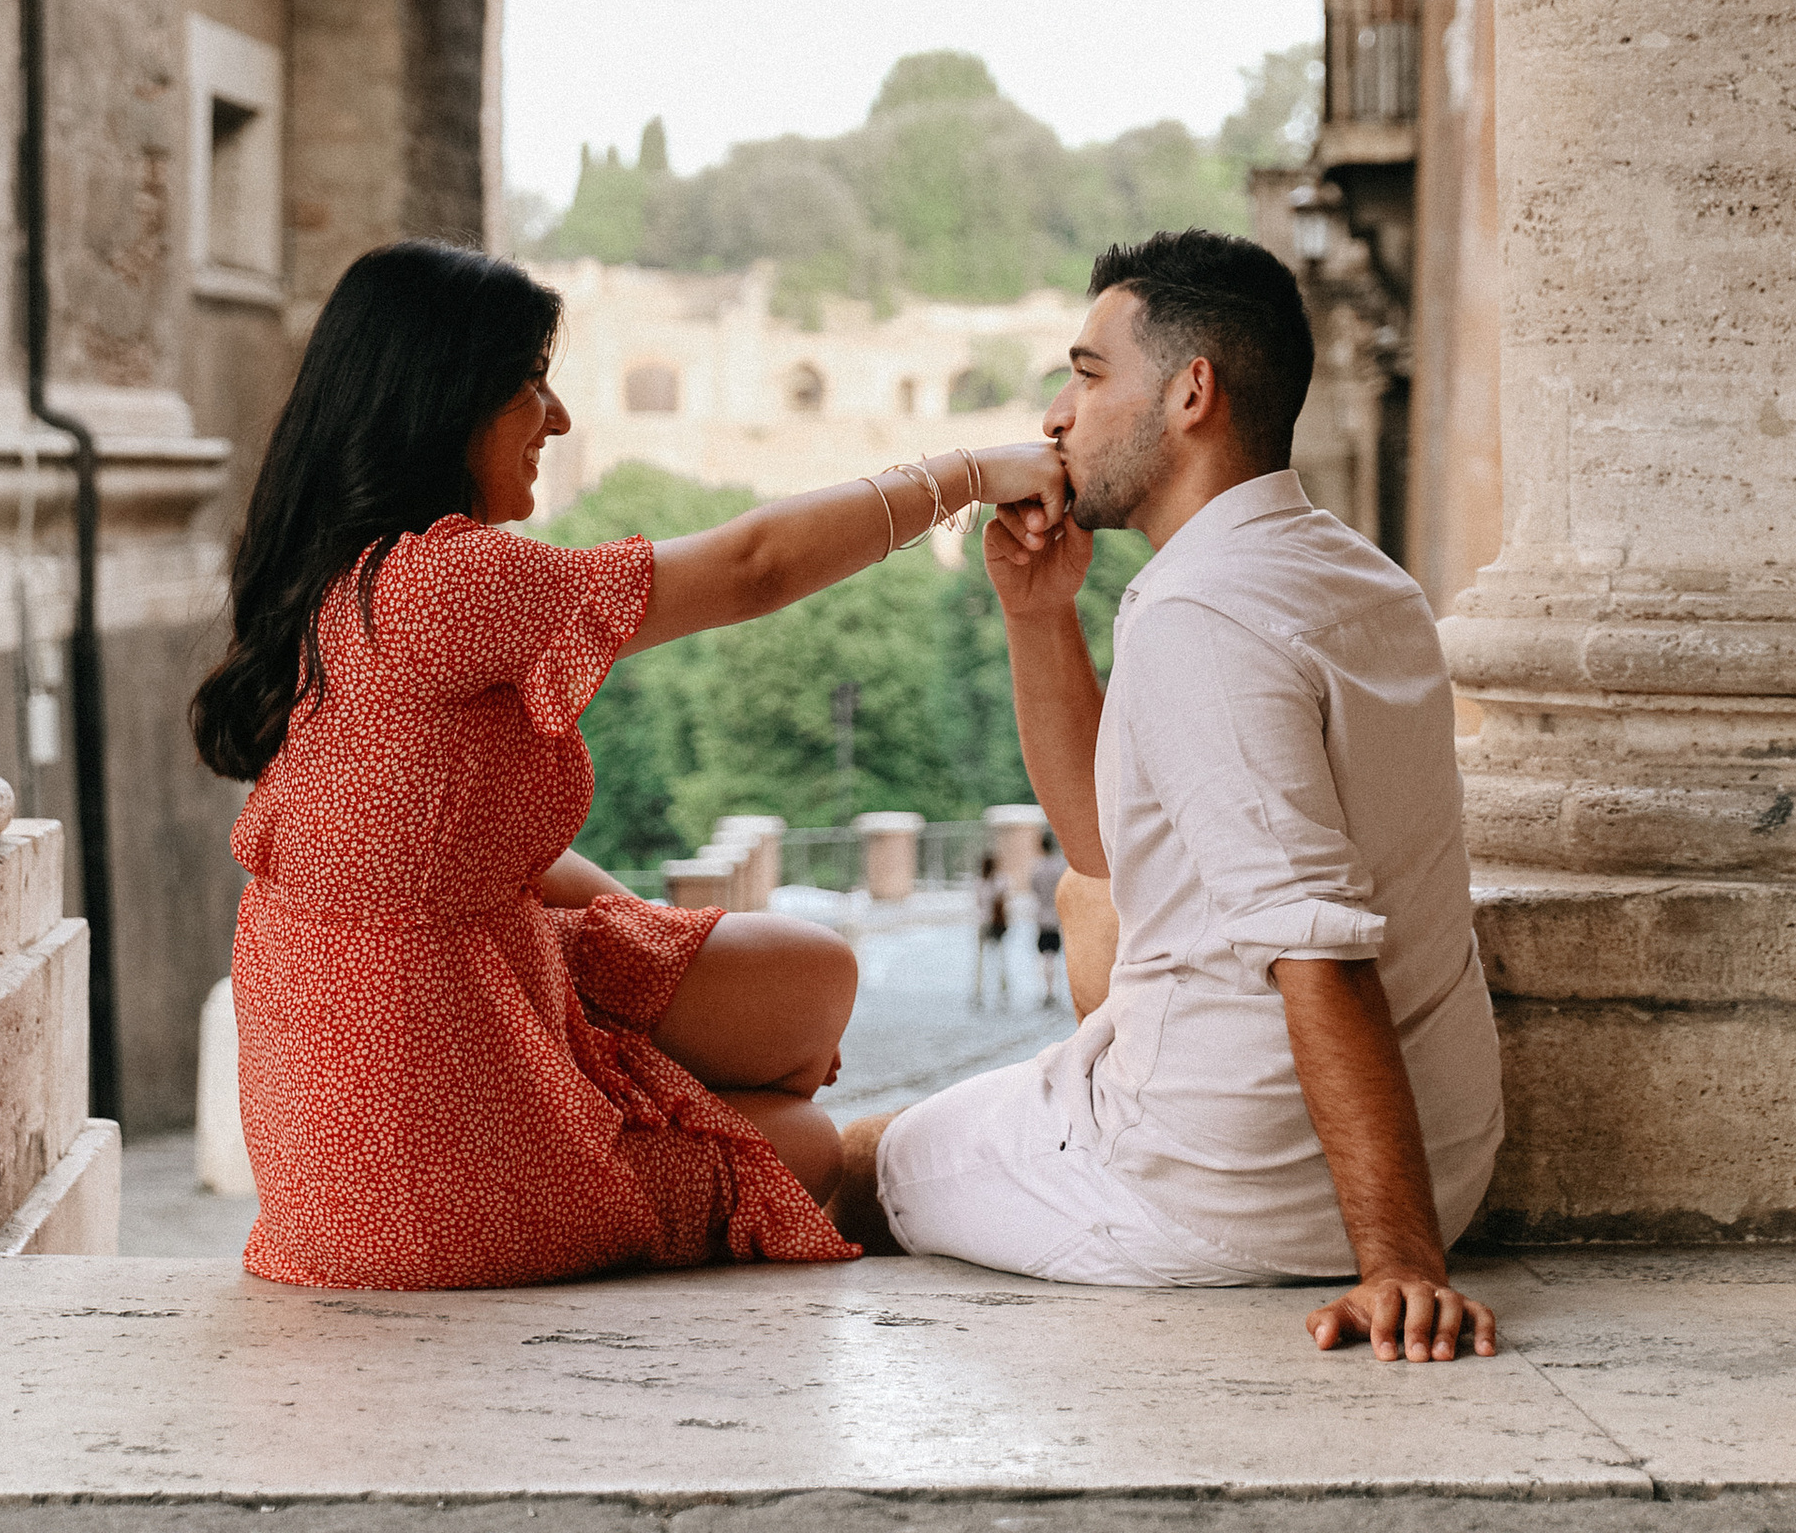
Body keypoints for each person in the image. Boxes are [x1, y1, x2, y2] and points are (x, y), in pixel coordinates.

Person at [189, 236, 1069, 1292]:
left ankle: (650, 1100)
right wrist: (970, 474)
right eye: (529, 384)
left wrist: (649, 956)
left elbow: (458, 843)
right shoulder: (444, 584)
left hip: (342, 1146)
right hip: (432, 1152)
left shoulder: (332, 579)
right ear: (441, 400)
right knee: (802, 1146)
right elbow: (749, 568)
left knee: (812, 977)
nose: (556, 419)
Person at [833, 230, 1503, 1364]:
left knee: (842, 1166)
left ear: (1192, 393)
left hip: (1220, 1184)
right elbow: (1104, 844)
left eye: (1089, 375)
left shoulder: (1199, 613)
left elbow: (1316, 947)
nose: (1054, 416)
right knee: (1100, 918)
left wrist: (1397, 1267)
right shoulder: (1360, 576)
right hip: (1450, 1162)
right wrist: (1040, 616)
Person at [1028, 826, 1066, 1010]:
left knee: (1046, 956)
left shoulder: (1037, 868)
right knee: (1056, 955)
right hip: (1059, 916)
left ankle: (1049, 990)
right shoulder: (1061, 867)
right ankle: (1055, 990)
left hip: (1042, 916)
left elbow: (1033, 889)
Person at [971, 849, 1009, 1008]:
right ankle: (1003, 988)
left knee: (980, 959)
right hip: (997, 924)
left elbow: (979, 903)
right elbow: (1005, 902)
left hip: (983, 922)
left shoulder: (980, 883)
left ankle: (979, 990)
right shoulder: (1001, 881)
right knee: (1000, 958)